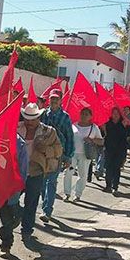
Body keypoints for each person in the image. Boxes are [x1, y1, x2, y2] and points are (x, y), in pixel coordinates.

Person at [18, 103, 63, 240]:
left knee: (31, 203)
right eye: (27, 118)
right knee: (9, 203)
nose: (29, 122)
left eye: (33, 118)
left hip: (35, 171)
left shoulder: (49, 132)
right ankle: (17, 217)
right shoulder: (16, 128)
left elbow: (58, 150)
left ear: (38, 117)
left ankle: (27, 230)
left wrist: (45, 149)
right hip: (16, 171)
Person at [39, 89, 73, 223]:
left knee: (51, 182)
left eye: (56, 99)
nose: (53, 101)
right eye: (52, 98)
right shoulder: (43, 114)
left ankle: (47, 211)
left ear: (60, 101)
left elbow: (69, 137)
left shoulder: (65, 117)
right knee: (41, 182)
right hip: (42, 152)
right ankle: (44, 205)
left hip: (57, 153)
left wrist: (68, 156)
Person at [64, 108, 103, 202]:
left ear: (90, 116)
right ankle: (67, 193)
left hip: (85, 155)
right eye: (82, 113)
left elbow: (101, 141)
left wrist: (92, 140)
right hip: (72, 154)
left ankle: (78, 194)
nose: (83, 116)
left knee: (83, 175)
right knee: (68, 173)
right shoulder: (73, 126)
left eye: (86, 114)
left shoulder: (94, 128)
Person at [103, 108, 130, 195]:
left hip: (120, 149)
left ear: (120, 115)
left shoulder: (124, 122)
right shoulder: (107, 123)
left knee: (116, 168)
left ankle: (115, 186)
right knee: (108, 167)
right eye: (113, 113)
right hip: (109, 148)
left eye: (117, 113)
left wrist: (127, 126)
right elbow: (102, 135)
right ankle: (108, 185)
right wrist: (103, 129)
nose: (115, 115)